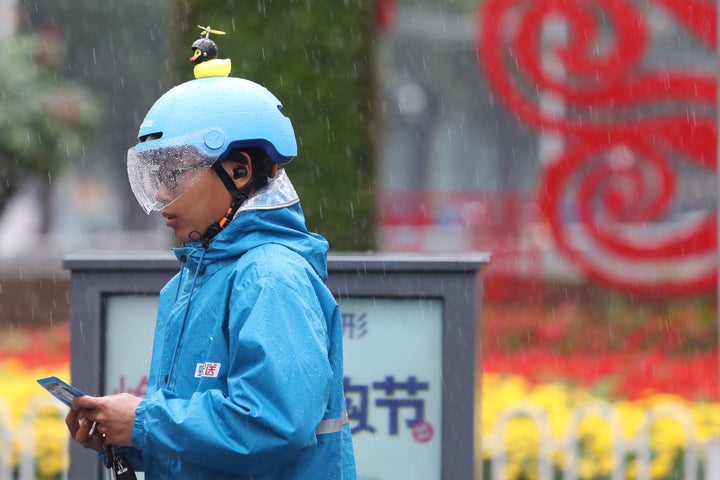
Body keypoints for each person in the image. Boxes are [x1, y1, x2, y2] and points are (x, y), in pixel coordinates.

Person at [65, 73, 357, 479]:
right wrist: (127, 439)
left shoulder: (270, 276)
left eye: (174, 175)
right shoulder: (190, 282)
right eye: (156, 178)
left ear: (239, 170)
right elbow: (205, 447)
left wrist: (144, 424)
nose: (163, 195)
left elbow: (272, 425)